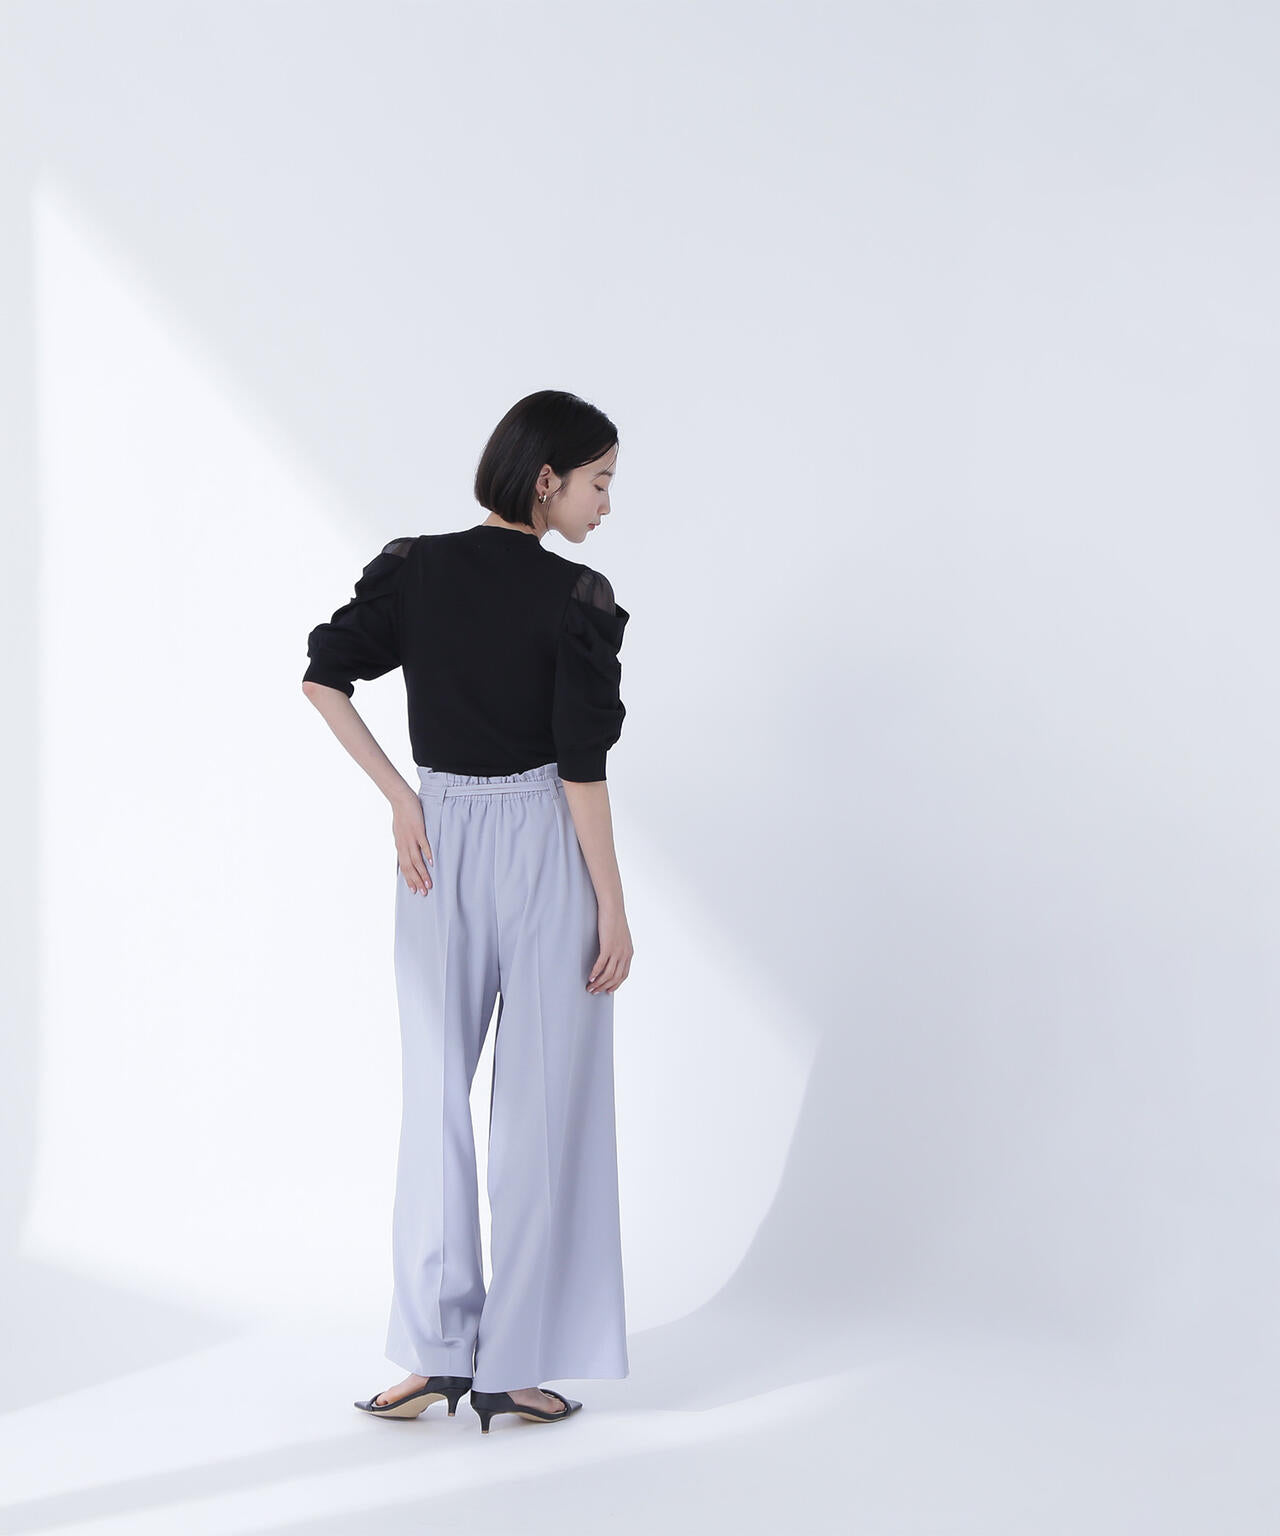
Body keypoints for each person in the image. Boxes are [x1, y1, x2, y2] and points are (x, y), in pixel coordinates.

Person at [301, 390, 633, 1433]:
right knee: (540, 1109)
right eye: (598, 482)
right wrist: (612, 905)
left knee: (436, 1096)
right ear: (547, 479)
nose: (604, 505)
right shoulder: (575, 595)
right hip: (539, 841)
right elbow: (580, 767)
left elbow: (324, 677)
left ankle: (437, 1353)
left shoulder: (417, 568)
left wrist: (406, 799)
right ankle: (509, 1364)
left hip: (437, 844)